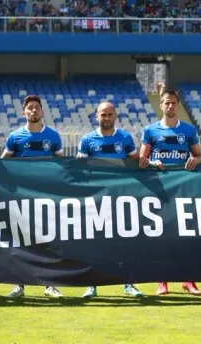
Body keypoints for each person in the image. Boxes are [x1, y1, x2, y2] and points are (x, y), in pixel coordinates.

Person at [139, 88, 201, 295]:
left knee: (186, 235)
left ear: (177, 104)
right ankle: (162, 281)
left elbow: (199, 156)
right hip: (160, 188)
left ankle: (188, 280)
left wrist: (195, 159)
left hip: (184, 189)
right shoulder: (150, 130)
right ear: (161, 105)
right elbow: (142, 161)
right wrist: (151, 162)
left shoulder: (189, 130)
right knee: (163, 235)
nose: (170, 106)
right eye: (166, 102)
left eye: (173, 103)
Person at [77, 102, 143, 298]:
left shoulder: (124, 138)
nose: (106, 118)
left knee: (124, 242)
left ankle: (128, 284)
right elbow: (79, 168)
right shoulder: (87, 140)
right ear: (96, 117)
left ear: (115, 116)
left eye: (110, 114)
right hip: (96, 199)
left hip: (120, 198)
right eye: (103, 115)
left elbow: (136, 162)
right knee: (94, 242)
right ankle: (91, 285)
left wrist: (149, 162)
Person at [1, 95, 64, 299]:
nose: (34, 110)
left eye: (37, 107)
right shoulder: (15, 136)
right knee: (20, 241)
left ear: (42, 112)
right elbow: (2, 163)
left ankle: (50, 285)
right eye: (30, 108)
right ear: (24, 113)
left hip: (47, 197)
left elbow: (64, 165)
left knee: (48, 240)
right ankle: (19, 284)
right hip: (21, 198)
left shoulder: (53, 136)